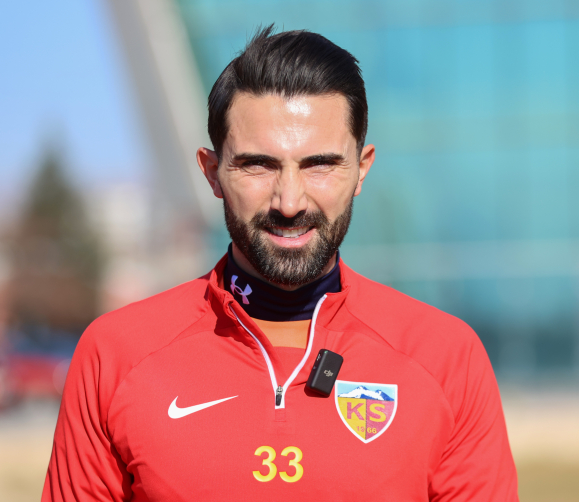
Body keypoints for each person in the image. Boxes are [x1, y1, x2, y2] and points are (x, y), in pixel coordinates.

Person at [42, 26, 518, 501]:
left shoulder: (445, 357)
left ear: (361, 169)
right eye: (259, 165)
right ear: (212, 172)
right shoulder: (116, 355)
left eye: (320, 164)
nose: (289, 202)